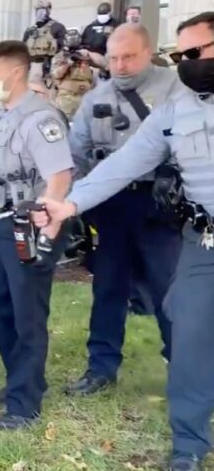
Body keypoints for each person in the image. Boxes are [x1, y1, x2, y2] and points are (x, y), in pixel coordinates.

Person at [36, 11, 214, 471]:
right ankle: (189, 448)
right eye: (183, 55)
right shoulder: (178, 109)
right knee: (189, 330)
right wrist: (69, 206)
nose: (189, 63)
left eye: (197, 53)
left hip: (162, 222)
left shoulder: (166, 91)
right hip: (203, 240)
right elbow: (124, 163)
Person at [64, 24, 183, 397]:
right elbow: (76, 152)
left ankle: (183, 367)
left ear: (148, 52)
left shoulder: (177, 88)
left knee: (169, 290)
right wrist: (77, 202)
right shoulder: (95, 97)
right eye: (114, 58)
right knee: (109, 287)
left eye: (129, 56)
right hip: (112, 204)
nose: (120, 65)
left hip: (160, 204)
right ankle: (100, 368)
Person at [0, 41, 73, 430]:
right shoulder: (5, 116)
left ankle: (24, 405)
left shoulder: (40, 119)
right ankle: (23, 379)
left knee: (27, 315)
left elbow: (60, 176)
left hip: (30, 226)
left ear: (16, 73)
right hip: (2, 222)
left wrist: (45, 222)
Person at [51, 29, 96, 120]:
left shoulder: (85, 55)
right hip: (67, 98)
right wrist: (69, 62)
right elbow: (56, 74)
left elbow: (94, 73)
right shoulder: (61, 56)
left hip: (85, 96)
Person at [23, 0, 67, 85]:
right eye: (38, 10)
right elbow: (23, 50)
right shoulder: (30, 30)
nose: (40, 13)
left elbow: (62, 49)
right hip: (33, 68)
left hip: (50, 67)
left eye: (43, 10)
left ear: (48, 11)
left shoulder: (57, 27)